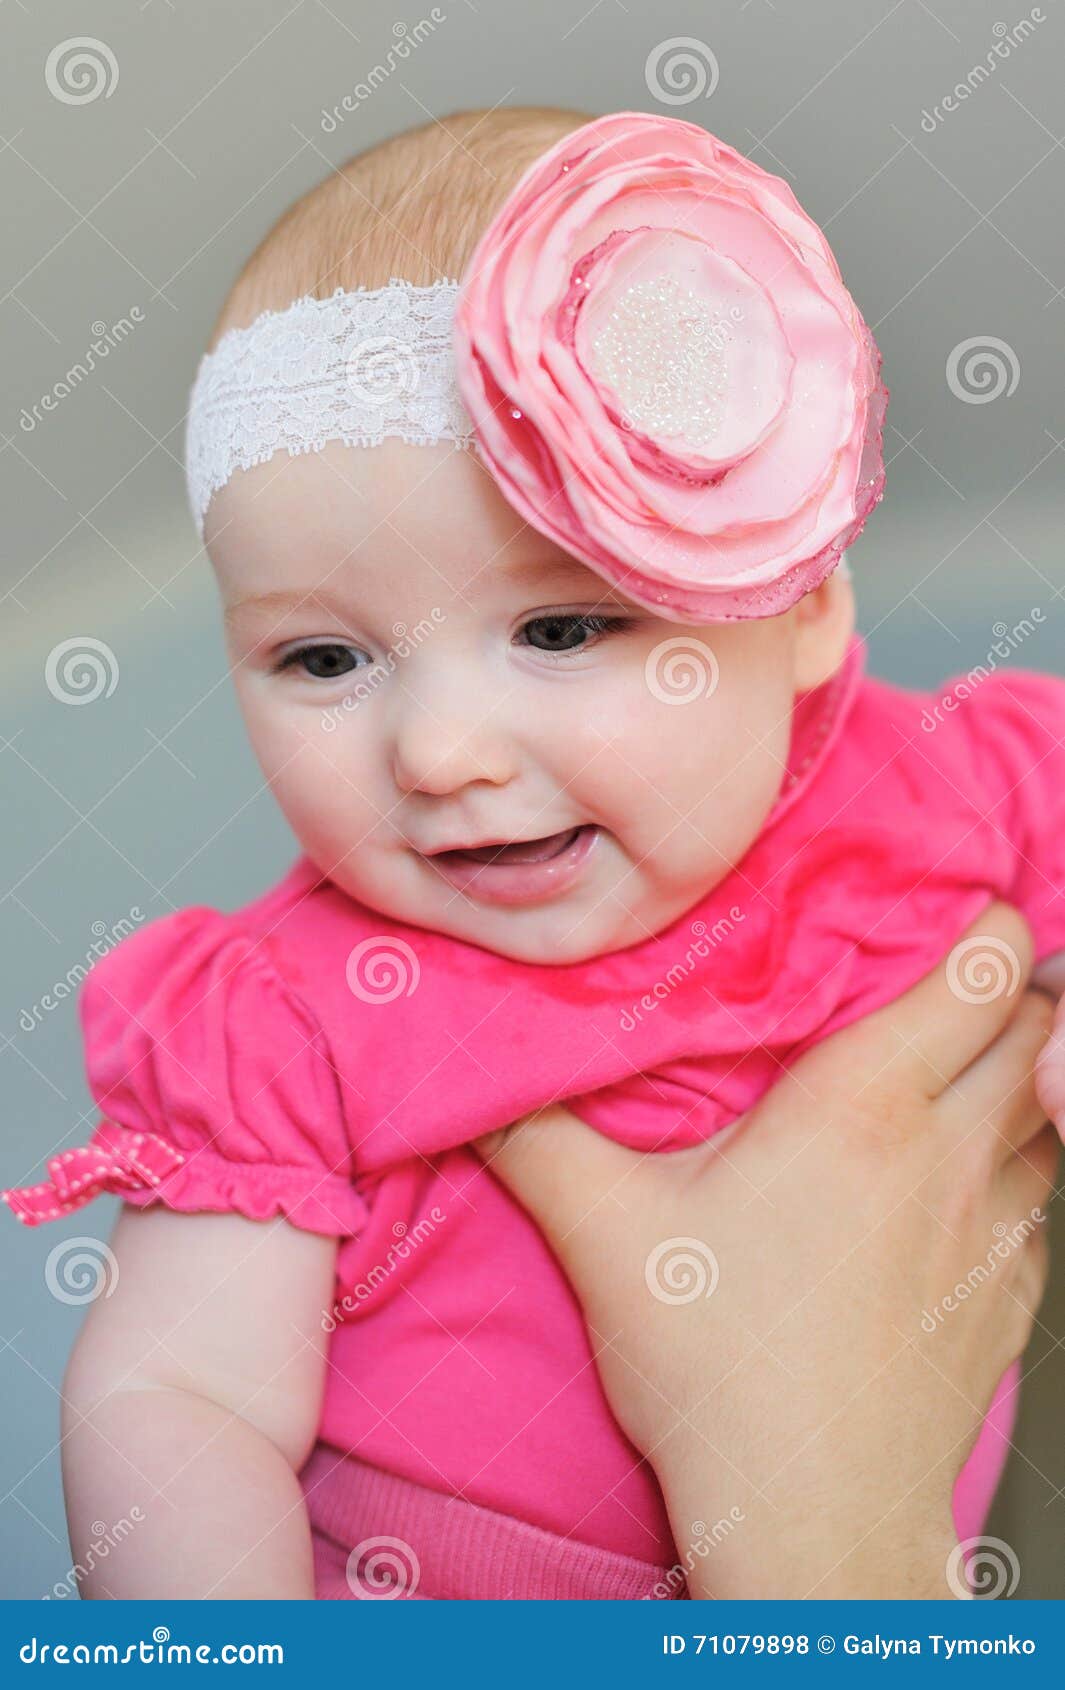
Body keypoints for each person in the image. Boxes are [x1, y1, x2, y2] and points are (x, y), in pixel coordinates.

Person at [3, 107, 1064, 1599]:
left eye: (561, 628)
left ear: (803, 605)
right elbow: (179, 1396)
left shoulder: (949, 781)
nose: (439, 753)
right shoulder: (279, 1021)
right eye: (323, 659)